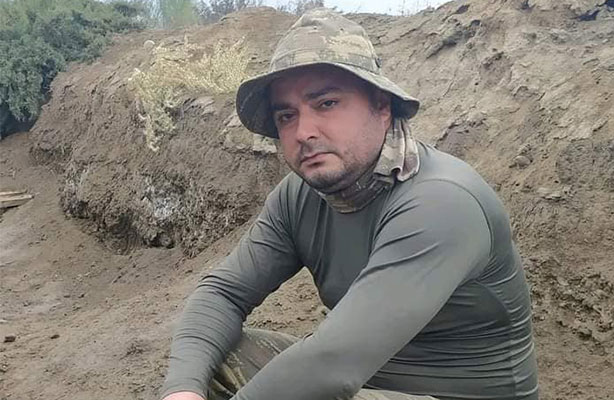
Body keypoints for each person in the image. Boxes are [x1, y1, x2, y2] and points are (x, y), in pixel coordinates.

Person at [160, 8, 538, 400]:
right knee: (215, 355)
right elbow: (223, 294)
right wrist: (182, 391)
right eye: (287, 115)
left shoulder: (441, 202)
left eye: (326, 103)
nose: (303, 132)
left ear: (382, 105)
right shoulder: (299, 196)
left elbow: (332, 365)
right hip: (366, 385)